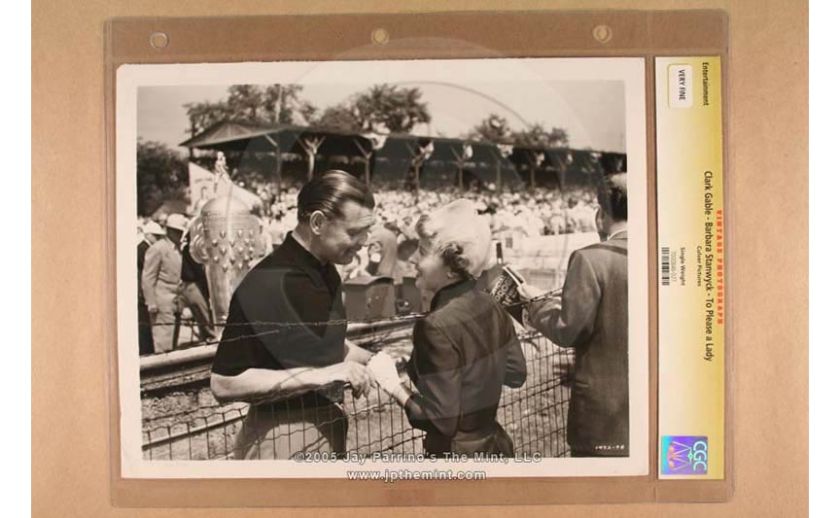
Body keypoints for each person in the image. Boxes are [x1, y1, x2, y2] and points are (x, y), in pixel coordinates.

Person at [209, 170, 378, 459]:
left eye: (367, 230)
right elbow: (223, 383)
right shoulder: (268, 281)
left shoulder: (326, 271)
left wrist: (380, 362)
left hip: (324, 426)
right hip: (279, 438)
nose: (364, 241)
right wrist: (323, 376)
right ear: (317, 223)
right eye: (353, 232)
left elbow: (323, 346)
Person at [369, 199, 527, 456]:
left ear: (452, 270)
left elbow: (442, 421)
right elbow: (516, 373)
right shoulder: (491, 304)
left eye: (421, 251)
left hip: (456, 457)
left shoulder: (434, 325)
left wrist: (392, 385)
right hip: (494, 445)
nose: (413, 260)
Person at [518, 173, 629, 457]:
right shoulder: (664, 254)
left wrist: (535, 304)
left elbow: (568, 330)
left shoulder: (589, 259)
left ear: (600, 214)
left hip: (605, 417)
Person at [141, 214, 188, 354]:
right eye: (176, 231)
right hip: (161, 299)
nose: (179, 234)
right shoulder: (158, 248)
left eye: (180, 231)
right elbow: (148, 276)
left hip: (176, 300)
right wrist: (151, 301)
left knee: (173, 340)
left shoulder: (178, 249)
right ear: (168, 230)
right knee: (163, 341)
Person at [179, 223, 215, 342]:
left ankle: (206, 336)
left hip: (193, 283)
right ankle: (211, 336)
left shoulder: (188, 247)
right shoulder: (191, 250)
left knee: (202, 313)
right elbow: (198, 270)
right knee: (204, 313)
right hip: (192, 283)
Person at [137, 221, 165, 355]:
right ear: (148, 235)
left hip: (142, 291)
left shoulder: (143, 247)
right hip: (142, 292)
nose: (157, 239)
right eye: (155, 236)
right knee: (145, 323)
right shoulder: (143, 249)